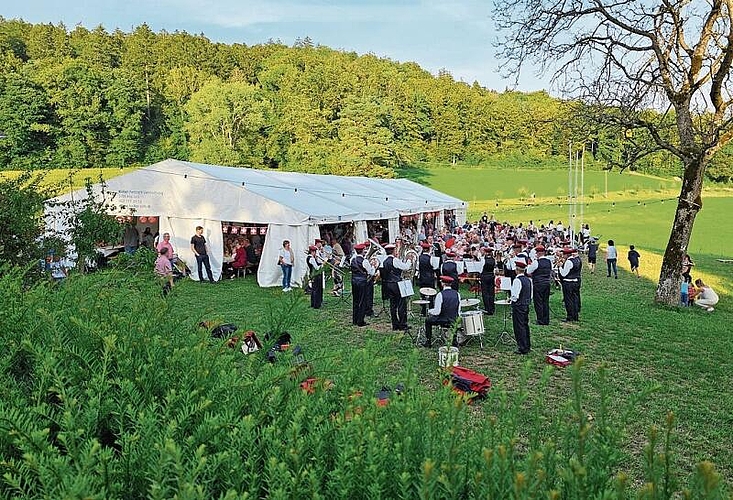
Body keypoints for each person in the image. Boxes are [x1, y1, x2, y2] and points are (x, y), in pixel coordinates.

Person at [424, 276, 461, 347]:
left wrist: (429, 311)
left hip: (443, 319)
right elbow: (458, 310)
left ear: (442, 283)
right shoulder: (457, 294)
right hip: (453, 319)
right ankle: (454, 340)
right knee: (454, 319)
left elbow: (437, 312)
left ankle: (428, 342)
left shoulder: (440, 294)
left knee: (428, 321)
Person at [381, 243, 411, 331]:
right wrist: (409, 260)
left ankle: (395, 324)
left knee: (393, 305)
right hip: (397, 284)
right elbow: (406, 267)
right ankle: (402, 324)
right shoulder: (395, 260)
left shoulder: (384, 261)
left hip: (388, 284)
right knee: (402, 304)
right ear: (393, 251)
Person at [510, 260, 532, 354]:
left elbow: (515, 296)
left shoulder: (517, 280)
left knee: (519, 327)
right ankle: (527, 345)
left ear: (516, 270)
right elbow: (531, 294)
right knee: (525, 325)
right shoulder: (528, 280)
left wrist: (510, 300)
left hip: (518, 306)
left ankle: (522, 347)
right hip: (526, 304)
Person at [350, 243, 376, 326]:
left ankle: (355, 319)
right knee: (362, 301)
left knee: (355, 300)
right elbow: (371, 273)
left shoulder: (352, 260)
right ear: (363, 251)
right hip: (362, 282)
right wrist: (373, 266)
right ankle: (360, 321)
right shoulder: (364, 261)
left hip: (354, 281)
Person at [526, 245, 552, 325]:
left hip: (538, 283)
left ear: (538, 253)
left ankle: (540, 319)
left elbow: (528, 271)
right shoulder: (549, 261)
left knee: (538, 302)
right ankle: (546, 319)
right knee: (545, 301)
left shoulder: (536, 262)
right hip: (547, 283)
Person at [559, 247, 582, 322]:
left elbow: (563, 273)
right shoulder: (576, 260)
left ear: (566, 255)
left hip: (568, 283)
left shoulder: (568, 262)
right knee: (575, 299)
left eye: (563, 254)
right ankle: (575, 316)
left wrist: (560, 267)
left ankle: (570, 316)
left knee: (568, 300)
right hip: (575, 281)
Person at [479, 246, 496, 315]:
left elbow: (480, 270)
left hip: (485, 276)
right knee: (491, 292)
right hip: (491, 276)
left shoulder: (483, 259)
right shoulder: (493, 259)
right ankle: (492, 308)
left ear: (486, 252)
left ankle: (488, 308)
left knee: (485, 292)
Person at [306, 244, 324, 309]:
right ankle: (316, 304)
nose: (315, 253)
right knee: (316, 289)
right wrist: (323, 264)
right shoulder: (311, 259)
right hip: (315, 275)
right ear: (312, 252)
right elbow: (317, 268)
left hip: (314, 274)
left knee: (314, 289)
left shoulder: (312, 258)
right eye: (315, 252)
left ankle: (314, 303)